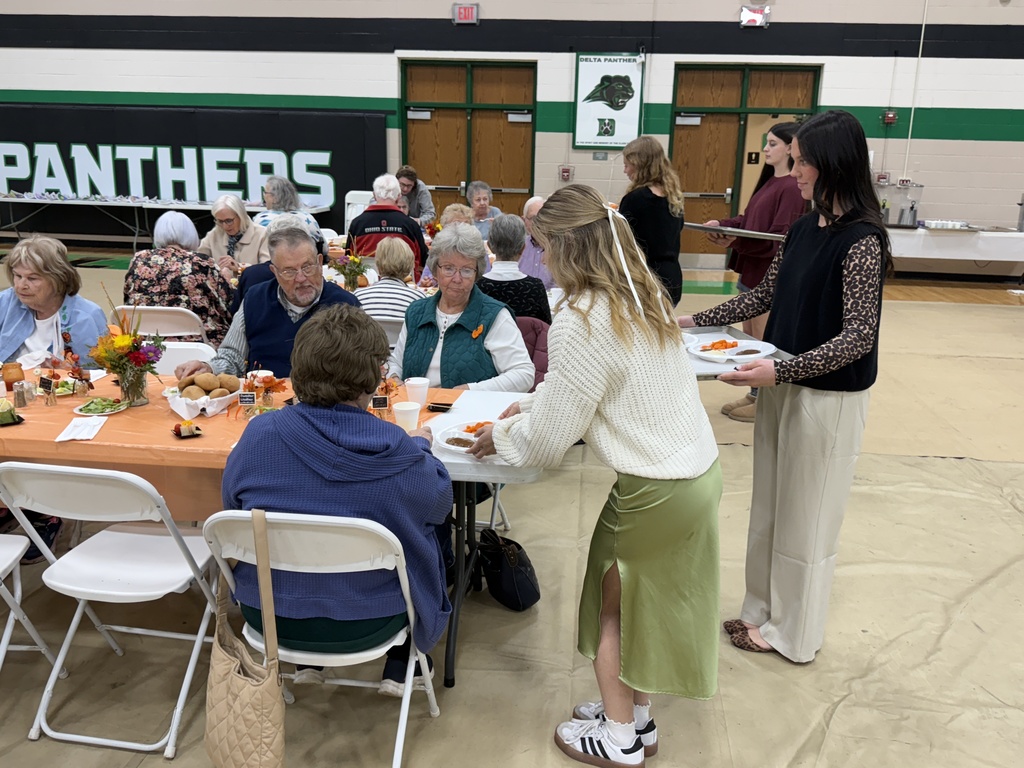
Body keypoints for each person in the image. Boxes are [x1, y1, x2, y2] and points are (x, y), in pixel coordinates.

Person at [468, 184, 721, 768]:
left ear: (565, 246)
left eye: (543, 248)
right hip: (693, 475)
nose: (542, 261)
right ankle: (638, 719)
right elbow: (602, 386)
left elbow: (551, 444)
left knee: (615, 609)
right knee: (645, 609)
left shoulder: (579, 317)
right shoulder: (640, 293)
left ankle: (618, 736)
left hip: (653, 488)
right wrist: (532, 404)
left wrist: (502, 436)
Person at [678, 110, 891, 663]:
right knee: (771, 507)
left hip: (828, 395)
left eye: (800, 161)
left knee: (809, 516)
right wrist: (693, 321)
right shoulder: (801, 228)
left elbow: (858, 339)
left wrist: (781, 371)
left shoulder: (863, 242)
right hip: (783, 379)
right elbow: (760, 296)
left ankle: (794, 633)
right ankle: (759, 611)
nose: (791, 170)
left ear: (833, 164)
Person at [222, 302, 452, 694]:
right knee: (429, 534)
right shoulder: (400, 454)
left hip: (268, 615)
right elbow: (439, 505)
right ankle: (406, 658)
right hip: (371, 619)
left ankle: (308, 660)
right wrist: (422, 449)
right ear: (372, 379)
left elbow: (232, 510)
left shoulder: (258, 436)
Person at [0, 234, 108, 561]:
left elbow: (100, 378)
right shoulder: (5, 303)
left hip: (63, 407)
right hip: (12, 399)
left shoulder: (87, 314)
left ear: (58, 278)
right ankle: (8, 502)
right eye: (17, 276)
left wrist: (67, 372)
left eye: (33, 278)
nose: (22, 285)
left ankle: (47, 512)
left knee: (52, 438)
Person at [704, 122, 805, 423]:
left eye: (772, 143)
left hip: (767, 279)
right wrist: (724, 225)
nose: (765, 149)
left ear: (790, 147)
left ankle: (767, 400)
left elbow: (778, 239)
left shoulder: (790, 188)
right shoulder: (770, 182)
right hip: (752, 274)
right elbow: (748, 220)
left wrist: (736, 238)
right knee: (752, 339)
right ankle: (755, 393)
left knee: (764, 342)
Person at [174, 223, 359, 380]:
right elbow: (232, 357)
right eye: (289, 271)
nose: (301, 278)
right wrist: (209, 369)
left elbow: (363, 366)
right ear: (274, 271)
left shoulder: (346, 305)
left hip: (325, 408)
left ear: (320, 262)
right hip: (262, 404)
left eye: (307, 267)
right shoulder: (255, 299)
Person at [387, 223, 533, 393]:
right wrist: (395, 378)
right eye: (448, 268)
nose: (457, 279)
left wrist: (469, 390)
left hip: (470, 414)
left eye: (466, 270)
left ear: (476, 273)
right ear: (435, 270)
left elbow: (524, 374)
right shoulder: (416, 312)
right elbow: (396, 362)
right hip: (415, 412)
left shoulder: (495, 316)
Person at [124, 211, 234, 346]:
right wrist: (227, 279)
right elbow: (227, 306)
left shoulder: (138, 259)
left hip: (144, 342)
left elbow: (127, 299)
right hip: (197, 342)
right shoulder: (201, 262)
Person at [618, 136, 686, 306]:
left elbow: (621, 239)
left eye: (627, 165)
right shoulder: (673, 197)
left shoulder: (635, 199)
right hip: (672, 277)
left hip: (645, 279)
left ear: (639, 165)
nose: (625, 171)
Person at [347, 174, 429, 278]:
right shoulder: (411, 225)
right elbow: (422, 261)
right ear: (399, 196)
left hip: (366, 285)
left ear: (374, 195)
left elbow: (348, 259)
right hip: (405, 285)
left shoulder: (357, 224)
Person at [478, 214, 551, 324]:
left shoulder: (478, 287)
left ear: (490, 246)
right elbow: (545, 328)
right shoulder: (535, 287)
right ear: (523, 248)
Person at [197, 194, 270, 280]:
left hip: (252, 290)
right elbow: (199, 265)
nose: (224, 226)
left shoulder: (262, 234)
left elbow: (267, 271)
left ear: (241, 216)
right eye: (220, 221)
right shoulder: (213, 236)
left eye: (229, 221)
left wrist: (239, 268)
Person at [353, 238, 424, 321]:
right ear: (410, 265)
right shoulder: (418, 299)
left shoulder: (357, 296)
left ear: (377, 264)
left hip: (370, 334)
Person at [253, 175, 322, 237]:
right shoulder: (308, 217)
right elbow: (323, 248)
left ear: (275, 198)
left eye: (265, 193)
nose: (264, 196)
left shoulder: (261, 220)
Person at [519, 196, 554, 289]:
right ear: (524, 220)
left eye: (542, 217)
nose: (538, 223)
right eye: (533, 218)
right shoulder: (518, 247)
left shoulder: (559, 247)